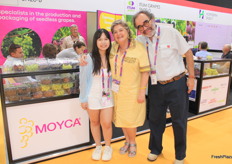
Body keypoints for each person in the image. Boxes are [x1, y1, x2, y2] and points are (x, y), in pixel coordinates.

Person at [133, 10, 194, 164]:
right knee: (155, 120)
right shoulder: (140, 40)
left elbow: (188, 53)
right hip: (155, 86)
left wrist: (191, 77)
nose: (144, 28)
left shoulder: (170, 32)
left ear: (152, 20)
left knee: (179, 121)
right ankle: (155, 149)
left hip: (177, 83)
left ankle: (180, 155)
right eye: (140, 26)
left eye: (145, 22)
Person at [110, 19, 150, 158]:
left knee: (131, 120)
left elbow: (145, 72)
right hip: (116, 91)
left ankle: (133, 142)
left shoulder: (138, 47)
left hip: (133, 92)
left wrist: (141, 92)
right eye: (115, 32)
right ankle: (127, 141)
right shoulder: (113, 48)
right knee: (121, 118)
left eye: (121, 30)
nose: (118, 33)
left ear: (127, 31)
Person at [79, 29, 113, 161]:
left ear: (110, 41)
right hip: (92, 95)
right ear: (95, 41)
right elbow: (83, 79)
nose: (103, 42)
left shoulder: (113, 56)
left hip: (108, 96)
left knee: (107, 123)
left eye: (106, 39)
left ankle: (108, 147)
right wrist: (83, 98)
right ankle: (98, 146)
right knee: (94, 122)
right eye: (100, 39)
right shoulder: (88, 58)